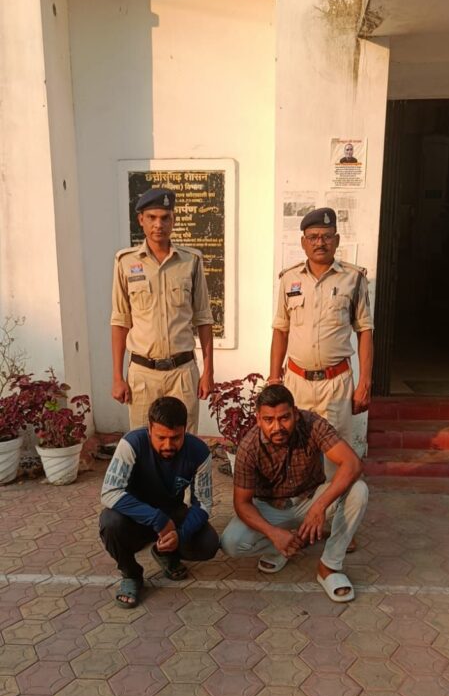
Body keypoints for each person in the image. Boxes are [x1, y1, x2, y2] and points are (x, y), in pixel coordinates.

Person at [221, 384, 368, 601]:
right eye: (269, 420)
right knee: (231, 543)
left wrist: (319, 507)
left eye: (284, 418)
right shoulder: (249, 447)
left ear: (295, 414)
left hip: (310, 499)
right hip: (269, 507)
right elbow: (242, 503)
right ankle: (283, 546)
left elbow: (352, 464)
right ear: (258, 419)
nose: (277, 427)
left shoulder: (312, 424)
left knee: (358, 490)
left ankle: (329, 566)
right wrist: (273, 533)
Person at [269, 207, 374, 475]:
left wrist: (364, 382)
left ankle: (334, 500)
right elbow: (281, 330)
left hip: (335, 384)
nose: (320, 243)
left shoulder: (353, 279)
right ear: (303, 242)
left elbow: (365, 331)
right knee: (295, 450)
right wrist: (274, 378)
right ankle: (299, 500)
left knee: (336, 456)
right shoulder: (289, 279)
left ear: (336, 240)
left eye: (326, 236)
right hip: (297, 382)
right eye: (313, 237)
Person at [111, 186, 214, 434]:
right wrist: (117, 377)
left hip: (182, 373)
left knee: (184, 440)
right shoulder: (126, 262)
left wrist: (208, 372)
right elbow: (120, 321)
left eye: (165, 217)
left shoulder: (191, 261)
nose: (159, 224)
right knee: (143, 441)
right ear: (141, 220)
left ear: (173, 220)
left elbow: (203, 319)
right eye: (152, 217)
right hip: (142, 374)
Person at [100, 396, 219, 607]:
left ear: (185, 430)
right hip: (136, 518)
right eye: (161, 437)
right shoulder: (131, 443)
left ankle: (164, 552)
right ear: (149, 429)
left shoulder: (199, 451)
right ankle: (131, 575)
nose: (168, 445)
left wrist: (180, 535)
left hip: (172, 514)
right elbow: (110, 492)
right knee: (110, 523)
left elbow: (203, 503)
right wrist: (158, 519)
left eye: (176, 438)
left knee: (208, 543)